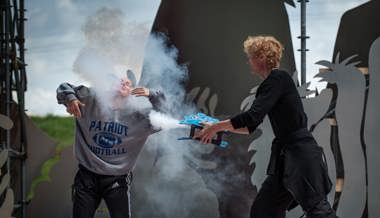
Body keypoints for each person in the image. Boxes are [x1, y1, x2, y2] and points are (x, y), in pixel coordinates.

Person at [196, 36, 337, 218]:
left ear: (261, 57)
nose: (248, 61)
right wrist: (218, 128)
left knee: (319, 213)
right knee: (263, 212)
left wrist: (216, 126)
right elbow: (249, 127)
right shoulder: (272, 83)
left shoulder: (278, 78)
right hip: (285, 161)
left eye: (250, 56)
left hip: (301, 157)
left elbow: (252, 115)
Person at [56, 74, 165, 218]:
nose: (123, 82)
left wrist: (153, 94)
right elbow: (63, 87)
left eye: (128, 83)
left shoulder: (138, 117)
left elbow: (164, 117)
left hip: (117, 179)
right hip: (87, 175)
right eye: (120, 80)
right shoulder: (89, 99)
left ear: (132, 93)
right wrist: (71, 99)